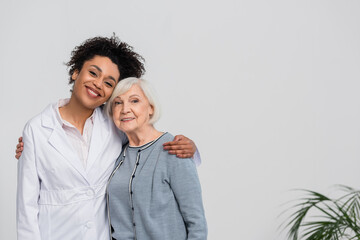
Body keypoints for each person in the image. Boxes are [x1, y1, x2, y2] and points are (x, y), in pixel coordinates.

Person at [16, 35, 200, 240]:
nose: (97, 84)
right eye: (93, 73)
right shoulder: (36, 129)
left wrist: (189, 148)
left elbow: (148, 144)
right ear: (76, 72)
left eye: (109, 83)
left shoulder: (115, 124)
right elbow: (27, 206)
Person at [105, 77, 207, 240]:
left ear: (151, 108)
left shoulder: (174, 149)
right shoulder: (115, 154)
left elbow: (197, 224)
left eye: (134, 101)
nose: (125, 109)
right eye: (118, 103)